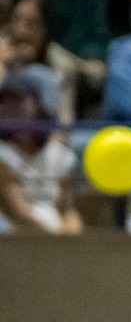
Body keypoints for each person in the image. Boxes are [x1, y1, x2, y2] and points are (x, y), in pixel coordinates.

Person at [0, 74, 80, 233]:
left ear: (37, 104)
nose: (10, 107)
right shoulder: (2, 155)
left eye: (17, 99)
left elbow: (67, 209)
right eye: (4, 101)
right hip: (16, 238)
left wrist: (71, 231)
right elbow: (17, 212)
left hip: (55, 236)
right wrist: (53, 238)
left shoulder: (57, 153)